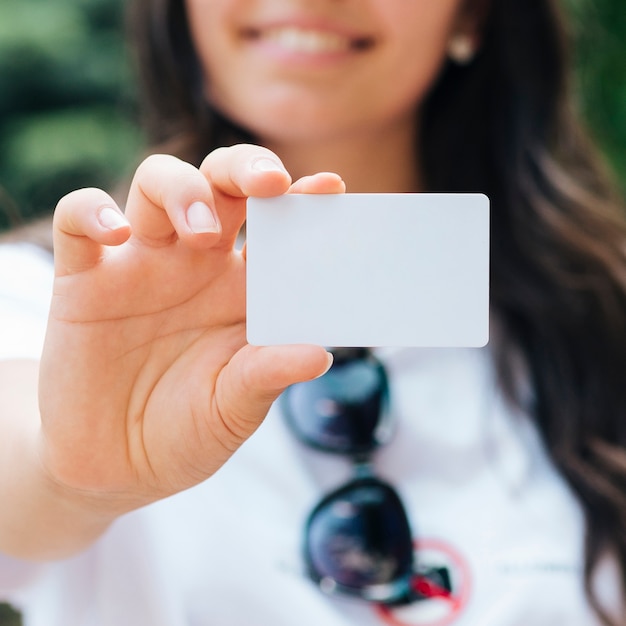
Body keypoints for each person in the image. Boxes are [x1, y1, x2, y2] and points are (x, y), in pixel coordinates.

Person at [1, 0, 626, 624]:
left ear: (472, 17)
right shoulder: (54, 303)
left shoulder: (604, 314)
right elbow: (24, 463)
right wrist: (70, 476)